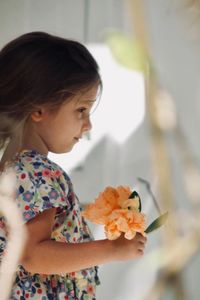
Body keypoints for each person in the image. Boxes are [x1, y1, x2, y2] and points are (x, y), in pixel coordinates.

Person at [0, 32, 147, 300]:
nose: (88, 125)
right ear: (39, 109)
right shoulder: (36, 171)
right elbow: (33, 254)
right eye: (81, 110)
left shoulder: (14, 167)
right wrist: (112, 249)